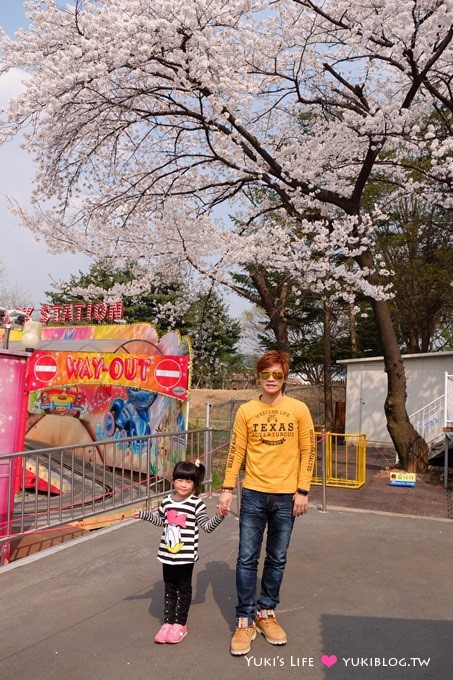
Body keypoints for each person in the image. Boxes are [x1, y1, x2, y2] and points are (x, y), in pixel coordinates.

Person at [217, 350, 316, 656]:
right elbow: (236, 451)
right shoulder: (246, 411)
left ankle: (266, 612)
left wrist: (303, 490)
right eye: (266, 375)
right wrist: (227, 488)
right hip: (254, 494)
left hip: (287, 496)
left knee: (277, 557)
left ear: (285, 377)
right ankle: (245, 619)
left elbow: (308, 450)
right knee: (247, 558)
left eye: (277, 375)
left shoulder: (299, 409)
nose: (271, 380)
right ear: (258, 377)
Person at [135, 459, 226, 644]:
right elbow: (162, 522)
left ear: (194, 484)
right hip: (167, 554)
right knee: (169, 588)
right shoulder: (167, 501)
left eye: (188, 481)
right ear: (173, 480)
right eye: (180, 480)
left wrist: (219, 516)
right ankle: (167, 623)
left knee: (183, 590)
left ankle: (180, 624)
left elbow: (207, 527)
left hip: (185, 557)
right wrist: (144, 515)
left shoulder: (196, 504)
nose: (183, 485)